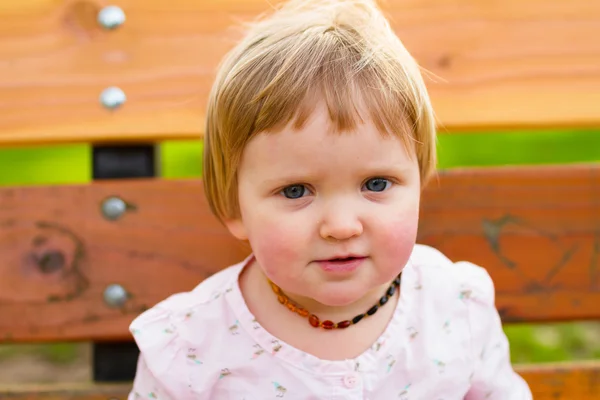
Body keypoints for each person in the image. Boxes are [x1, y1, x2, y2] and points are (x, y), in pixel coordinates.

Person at [128, 0, 532, 398]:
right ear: (234, 207)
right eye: (296, 191)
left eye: (376, 184)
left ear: (419, 181)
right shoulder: (191, 347)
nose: (341, 226)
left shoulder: (454, 306)